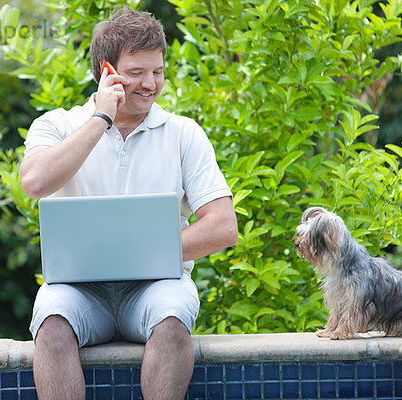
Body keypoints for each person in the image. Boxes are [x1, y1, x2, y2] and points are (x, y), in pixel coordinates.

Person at [19, 6, 238, 400]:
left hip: (157, 287)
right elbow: (34, 181)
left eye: (158, 72)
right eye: (137, 73)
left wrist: (143, 251)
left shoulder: (184, 134)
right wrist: (102, 117)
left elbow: (223, 226)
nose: (151, 84)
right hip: (79, 292)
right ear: (107, 72)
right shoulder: (58, 125)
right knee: (51, 320)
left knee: (173, 321)